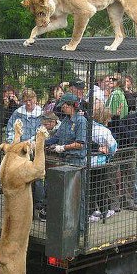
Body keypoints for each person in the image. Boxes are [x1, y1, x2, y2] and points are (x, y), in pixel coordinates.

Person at [45, 93, 88, 230]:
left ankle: (80, 228)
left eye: (64, 106)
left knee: (78, 196)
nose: (62, 108)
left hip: (77, 163)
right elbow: (56, 138)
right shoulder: (65, 121)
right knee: (65, 195)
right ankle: (67, 226)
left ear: (71, 105)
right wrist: (42, 142)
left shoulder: (81, 121)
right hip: (65, 162)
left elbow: (80, 144)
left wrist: (63, 147)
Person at [88, 106, 118, 222]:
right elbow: (113, 146)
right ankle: (102, 211)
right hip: (100, 162)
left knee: (90, 187)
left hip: (87, 162)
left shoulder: (89, 127)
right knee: (100, 187)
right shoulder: (105, 131)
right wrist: (109, 152)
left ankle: (91, 211)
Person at [34, 111, 61, 221]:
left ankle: (46, 208)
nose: (44, 126)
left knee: (51, 182)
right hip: (44, 158)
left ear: (53, 122)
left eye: (46, 124)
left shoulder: (60, 129)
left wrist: (44, 143)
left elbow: (56, 140)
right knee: (40, 180)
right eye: (43, 123)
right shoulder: (42, 128)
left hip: (56, 160)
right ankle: (40, 204)